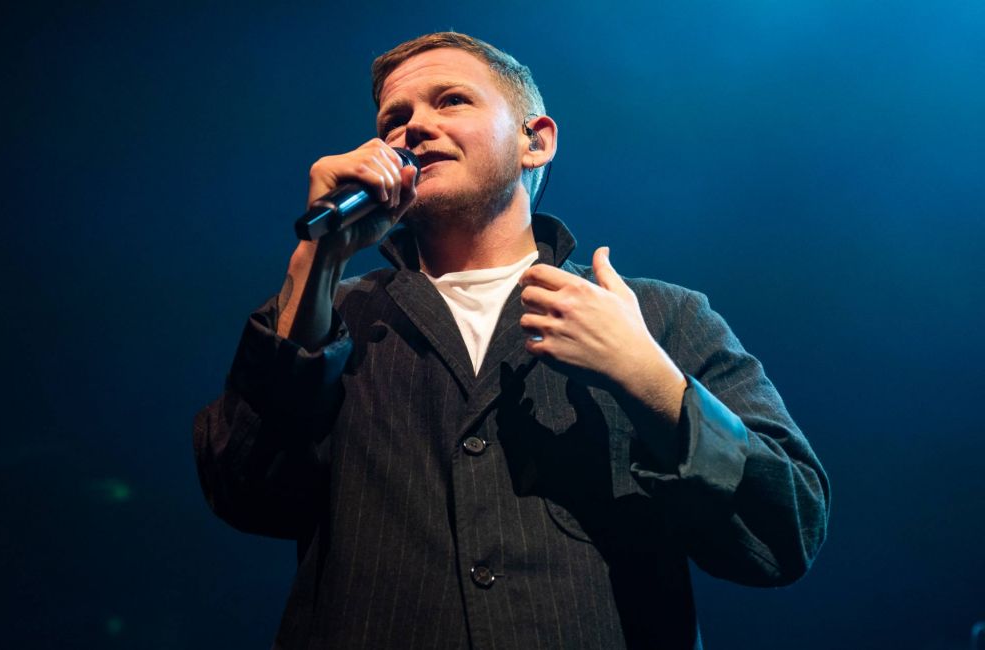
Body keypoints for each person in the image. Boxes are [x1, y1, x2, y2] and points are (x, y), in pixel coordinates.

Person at [193, 32, 829, 649]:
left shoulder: (658, 316)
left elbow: (787, 530)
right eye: (393, 118)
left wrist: (648, 378)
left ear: (536, 141)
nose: (411, 128)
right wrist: (317, 260)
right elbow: (242, 492)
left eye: (451, 100)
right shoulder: (340, 316)